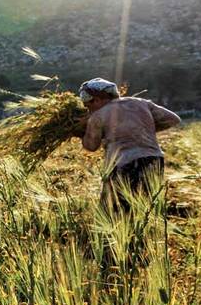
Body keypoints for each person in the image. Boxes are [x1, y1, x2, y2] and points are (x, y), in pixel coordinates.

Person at [76, 78, 181, 213]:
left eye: (88, 106)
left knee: (114, 211)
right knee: (144, 209)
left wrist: (79, 132)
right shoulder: (141, 103)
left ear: (96, 100)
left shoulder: (98, 116)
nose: (88, 110)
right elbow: (173, 119)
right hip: (154, 160)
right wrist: (143, 129)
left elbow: (91, 146)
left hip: (124, 164)